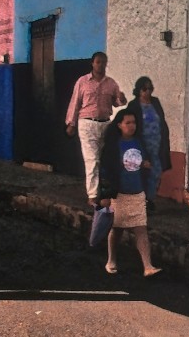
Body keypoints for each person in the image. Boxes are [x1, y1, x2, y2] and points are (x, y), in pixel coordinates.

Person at [97, 110, 161, 277]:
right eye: (128, 123)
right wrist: (104, 196)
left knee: (141, 229)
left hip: (137, 192)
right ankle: (111, 260)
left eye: (133, 122)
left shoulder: (139, 143)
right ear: (119, 125)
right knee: (117, 229)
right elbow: (104, 171)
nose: (132, 126)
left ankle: (147, 266)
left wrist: (147, 166)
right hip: (119, 194)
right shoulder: (112, 146)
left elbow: (145, 163)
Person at [65, 51, 126, 204]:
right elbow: (75, 103)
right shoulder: (82, 82)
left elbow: (117, 103)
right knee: (92, 159)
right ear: (92, 63)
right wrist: (71, 123)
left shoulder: (111, 83)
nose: (101, 64)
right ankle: (92, 196)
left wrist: (122, 100)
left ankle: (106, 192)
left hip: (105, 124)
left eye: (103, 61)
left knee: (106, 159)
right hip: (87, 124)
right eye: (98, 61)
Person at [121, 76, 171, 211]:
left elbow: (162, 120)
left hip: (157, 144)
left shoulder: (155, 102)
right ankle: (141, 201)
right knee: (142, 172)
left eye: (150, 89)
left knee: (156, 172)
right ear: (138, 90)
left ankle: (150, 199)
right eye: (144, 89)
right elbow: (131, 126)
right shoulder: (134, 105)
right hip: (142, 144)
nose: (148, 92)